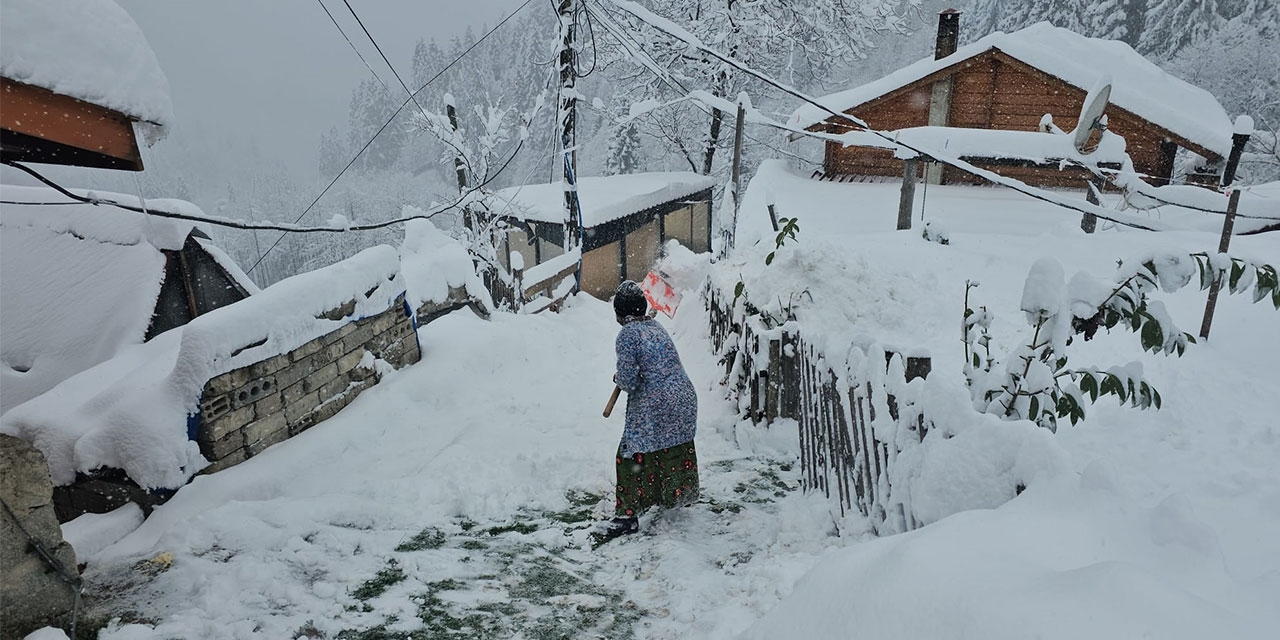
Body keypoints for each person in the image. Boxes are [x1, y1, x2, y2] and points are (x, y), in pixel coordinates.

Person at [601, 280, 699, 540]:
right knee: (670, 449)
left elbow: (630, 381)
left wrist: (619, 378)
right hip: (683, 399)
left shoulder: (627, 335)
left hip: (657, 406)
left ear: (619, 315)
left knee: (631, 454)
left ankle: (628, 515)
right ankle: (676, 496)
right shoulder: (655, 326)